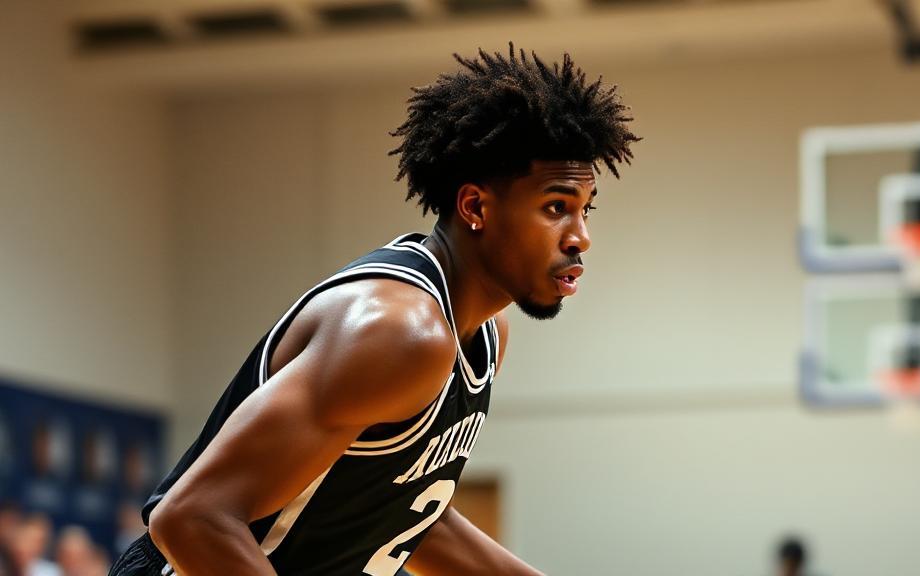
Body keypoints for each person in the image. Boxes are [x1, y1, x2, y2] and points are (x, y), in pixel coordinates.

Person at [109, 44, 638, 576]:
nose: (581, 238)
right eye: (556, 208)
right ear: (475, 207)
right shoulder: (401, 333)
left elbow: (406, 513)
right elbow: (192, 516)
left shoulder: (481, 335)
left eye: (584, 210)